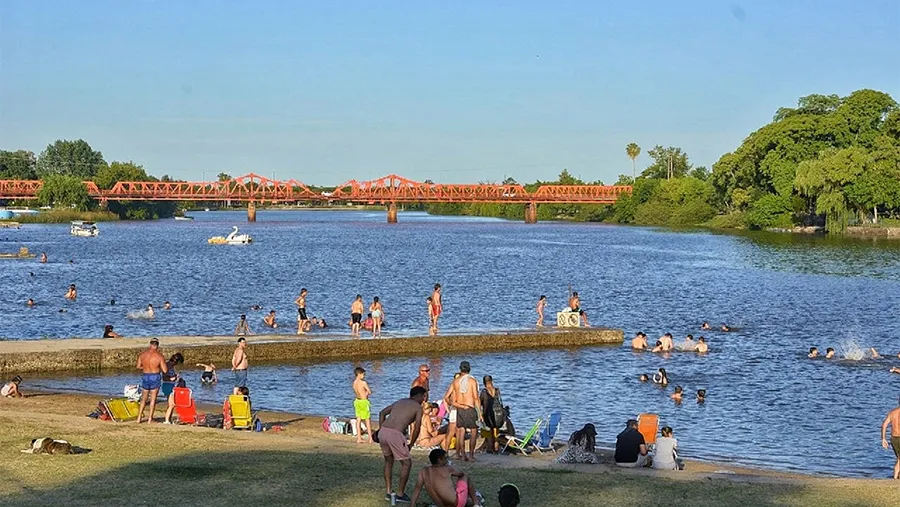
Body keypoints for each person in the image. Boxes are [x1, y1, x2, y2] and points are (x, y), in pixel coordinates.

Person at [378, 386, 427, 504]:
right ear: (419, 395)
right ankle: (400, 493)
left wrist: (380, 429)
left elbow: (382, 413)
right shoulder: (418, 407)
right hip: (395, 434)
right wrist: (411, 444)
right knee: (406, 463)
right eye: (424, 396)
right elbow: (417, 428)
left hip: (384, 431)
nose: (425, 399)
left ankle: (389, 491)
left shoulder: (400, 401)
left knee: (389, 461)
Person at [410, 448, 483, 507]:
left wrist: (412, 504)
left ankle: (474, 498)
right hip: (456, 503)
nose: (447, 460)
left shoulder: (423, 471)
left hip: (440, 505)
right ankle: (476, 503)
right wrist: (452, 467)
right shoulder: (447, 468)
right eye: (446, 458)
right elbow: (461, 473)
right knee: (465, 476)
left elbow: (417, 489)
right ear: (439, 460)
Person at [449, 361, 481, 461]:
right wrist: (480, 412)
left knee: (461, 431)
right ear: (469, 369)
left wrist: (461, 406)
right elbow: (476, 398)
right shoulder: (472, 381)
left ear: (460, 369)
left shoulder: (455, 381)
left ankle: (463, 455)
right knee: (474, 431)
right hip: (470, 408)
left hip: (460, 408)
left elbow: (452, 400)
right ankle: (471, 455)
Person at [136, 338, 168, 424]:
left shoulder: (142, 355)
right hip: (155, 377)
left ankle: (139, 418)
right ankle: (150, 419)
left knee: (144, 398)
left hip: (146, 376)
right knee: (153, 399)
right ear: (157, 345)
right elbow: (165, 370)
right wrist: (156, 368)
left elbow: (138, 366)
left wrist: (146, 368)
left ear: (150, 345)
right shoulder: (159, 356)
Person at [479, 375, 505, 453]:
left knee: (489, 433)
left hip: (488, 415)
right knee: (496, 431)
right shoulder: (497, 390)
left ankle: (490, 449)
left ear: (484, 383)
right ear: (492, 381)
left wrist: (480, 415)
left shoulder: (484, 392)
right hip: (498, 415)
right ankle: (496, 448)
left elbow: (480, 403)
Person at [163, 353, 186, 424]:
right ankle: (167, 420)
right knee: (172, 404)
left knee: (170, 404)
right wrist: (173, 378)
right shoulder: (168, 366)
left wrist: (175, 376)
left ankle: (168, 419)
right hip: (168, 385)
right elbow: (166, 377)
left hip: (168, 385)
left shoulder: (169, 365)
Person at [353, 367, 372, 444]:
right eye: (363, 374)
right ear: (359, 374)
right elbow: (369, 391)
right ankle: (370, 438)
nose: (364, 376)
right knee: (367, 419)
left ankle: (359, 438)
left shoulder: (354, 383)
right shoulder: (363, 383)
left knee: (358, 419)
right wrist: (366, 394)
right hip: (364, 402)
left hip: (357, 401)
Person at [882, 397, 900, 480]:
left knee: (899, 458)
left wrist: (883, 439)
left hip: (894, 438)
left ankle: (896, 477)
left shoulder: (892, 413)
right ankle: (895, 477)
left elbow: (884, 425)